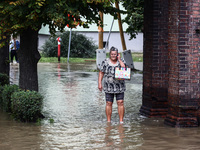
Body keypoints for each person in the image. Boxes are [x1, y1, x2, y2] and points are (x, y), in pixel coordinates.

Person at [98, 46, 126, 124]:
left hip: (120, 86)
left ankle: (121, 121)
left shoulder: (121, 61)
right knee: (109, 103)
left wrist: (119, 59)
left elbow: (124, 68)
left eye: (115, 54)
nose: (113, 56)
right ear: (110, 54)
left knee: (120, 102)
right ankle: (109, 121)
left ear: (117, 54)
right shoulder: (105, 62)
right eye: (112, 54)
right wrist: (99, 83)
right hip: (108, 86)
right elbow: (101, 72)